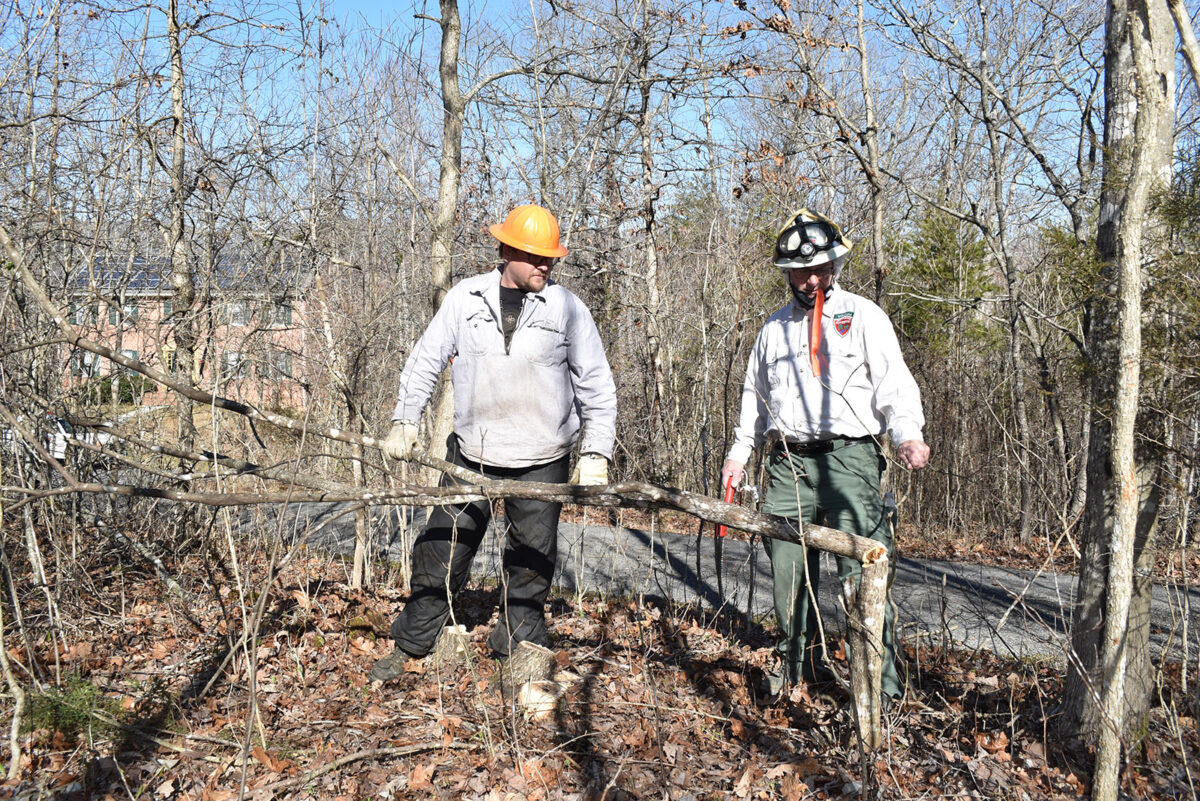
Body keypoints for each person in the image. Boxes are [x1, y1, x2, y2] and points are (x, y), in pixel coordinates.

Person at [369, 203, 617, 682]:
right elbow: (425, 361)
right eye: (535, 256)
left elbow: (597, 384)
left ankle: (518, 651)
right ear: (505, 251)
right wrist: (405, 420)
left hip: (543, 458)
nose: (546, 264)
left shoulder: (567, 308)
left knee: (530, 563)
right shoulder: (466, 299)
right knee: (441, 551)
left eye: (551, 257)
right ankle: (413, 642)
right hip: (472, 455)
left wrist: (595, 451)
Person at [721, 208, 930, 700]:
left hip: (850, 460)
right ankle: (798, 673)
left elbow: (893, 382)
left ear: (834, 265)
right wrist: (738, 454)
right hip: (787, 463)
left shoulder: (862, 316)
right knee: (790, 576)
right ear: (787, 273)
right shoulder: (772, 330)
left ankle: (882, 688)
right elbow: (754, 398)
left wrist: (907, 433)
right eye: (801, 270)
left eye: (820, 268)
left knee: (863, 574)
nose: (812, 278)